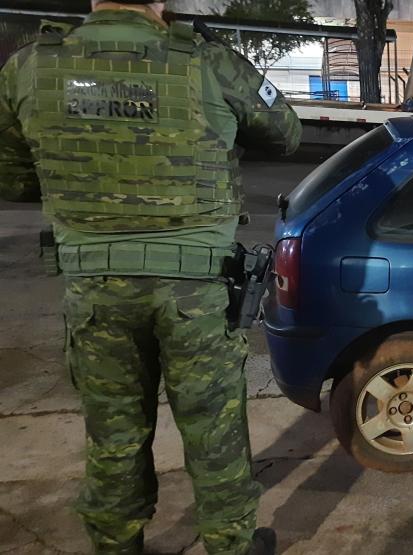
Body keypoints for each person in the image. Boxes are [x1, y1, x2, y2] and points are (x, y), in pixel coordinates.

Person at [0, 1, 302, 553]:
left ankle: (116, 544)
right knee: (214, 429)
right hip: (195, 290)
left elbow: (14, 178)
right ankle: (230, 545)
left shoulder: (28, 66)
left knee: (113, 432)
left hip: (95, 290)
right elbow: (285, 135)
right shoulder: (208, 61)